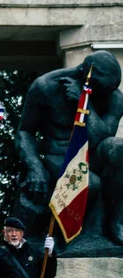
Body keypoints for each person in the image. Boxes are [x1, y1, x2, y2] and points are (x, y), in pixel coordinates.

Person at [16, 50, 123, 245]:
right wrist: (35, 168)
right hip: (60, 155)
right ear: (85, 74)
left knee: (118, 147)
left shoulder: (114, 97)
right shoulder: (45, 87)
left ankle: (116, 222)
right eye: (100, 89)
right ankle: (70, 235)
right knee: (89, 183)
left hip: (93, 155)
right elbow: (25, 132)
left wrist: (85, 104)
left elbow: (103, 136)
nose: (105, 95)